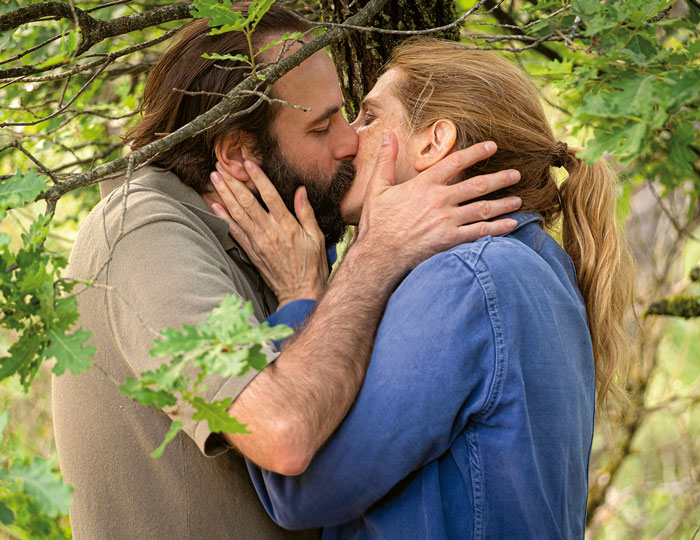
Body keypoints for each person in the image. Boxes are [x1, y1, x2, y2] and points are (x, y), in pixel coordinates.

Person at [51, 5, 523, 540]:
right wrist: (375, 255)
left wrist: (308, 289)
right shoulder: (141, 235)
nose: (350, 143)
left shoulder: (281, 239)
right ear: (236, 152)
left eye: (345, 114)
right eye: (322, 128)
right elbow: (284, 434)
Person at [207, 38, 635, 539]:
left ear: (433, 143)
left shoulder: (465, 281)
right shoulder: (533, 264)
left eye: (368, 118)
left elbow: (299, 488)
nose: (349, 141)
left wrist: (301, 297)